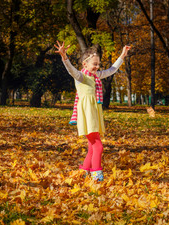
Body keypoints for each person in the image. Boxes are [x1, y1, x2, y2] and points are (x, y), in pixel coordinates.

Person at [55, 41, 131, 181]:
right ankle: (97, 174)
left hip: (94, 114)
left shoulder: (96, 77)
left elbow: (112, 70)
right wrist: (64, 57)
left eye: (98, 64)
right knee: (98, 146)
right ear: (85, 64)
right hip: (87, 115)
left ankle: (84, 172)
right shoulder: (81, 77)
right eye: (94, 64)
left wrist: (122, 55)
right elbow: (71, 70)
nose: (97, 67)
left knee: (92, 146)